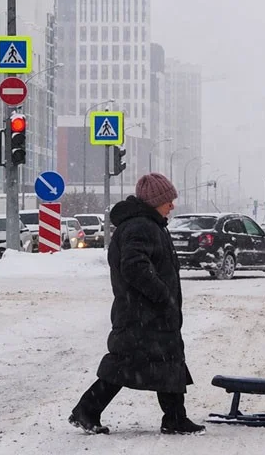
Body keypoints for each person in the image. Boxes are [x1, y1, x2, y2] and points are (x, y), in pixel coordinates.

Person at [69, 172, 205, 436]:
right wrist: (162, 295)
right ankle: (87, 411)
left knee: (164, 363)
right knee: (130, 364)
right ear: (155, 201)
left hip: (149, 313)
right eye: (168, 200)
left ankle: (174, 418)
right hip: (143, 313)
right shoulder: (140, 226)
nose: (172, 206)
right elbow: (133, 267)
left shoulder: (149, 224)